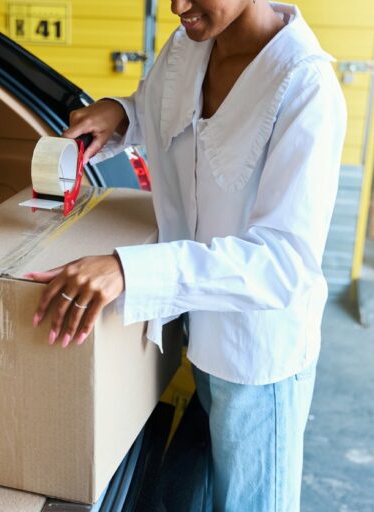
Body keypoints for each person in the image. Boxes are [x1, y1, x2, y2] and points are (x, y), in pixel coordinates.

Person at [25, 0, 347, 510]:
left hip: (257, 362)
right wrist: (120, 113)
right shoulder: (188, 46)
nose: (177, 6)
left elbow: (284, 264)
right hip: (197, 332)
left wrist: (130, 269)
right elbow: (160, 109)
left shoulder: (305, 88)